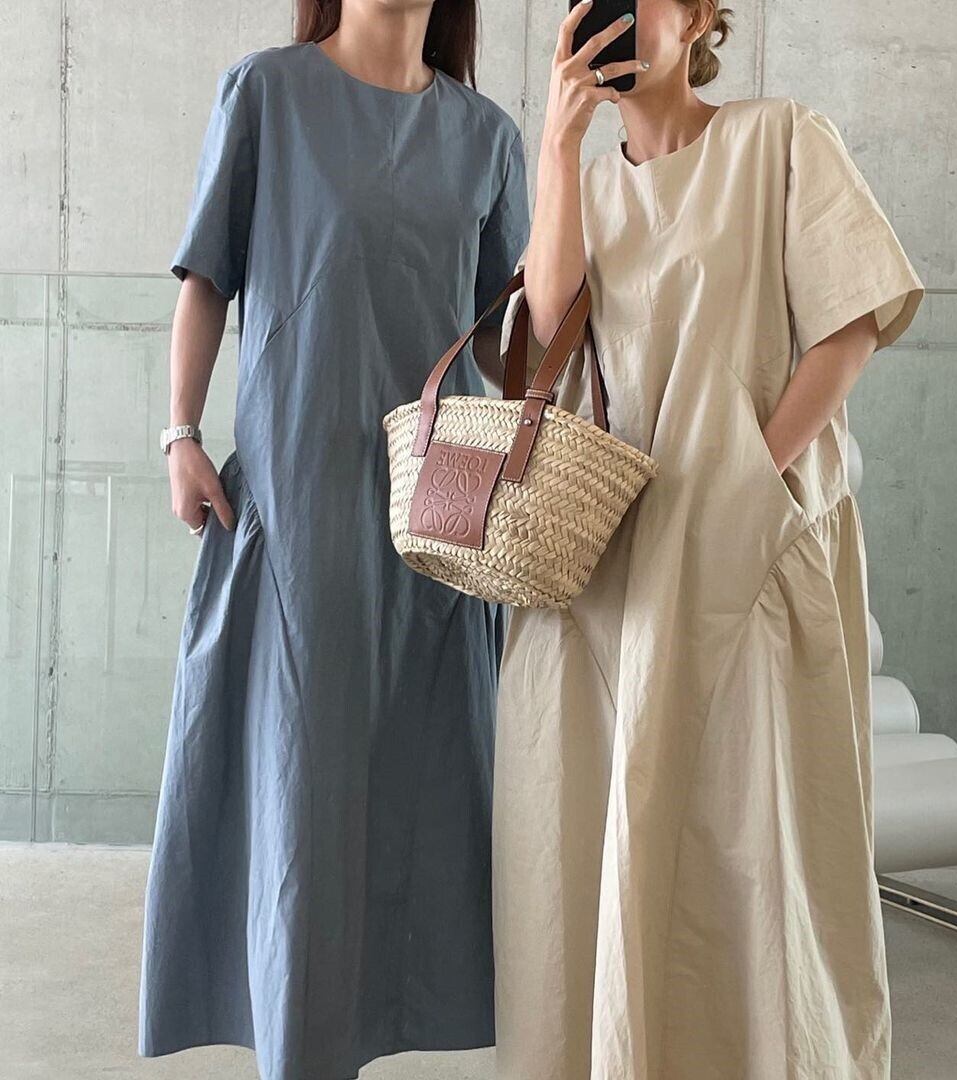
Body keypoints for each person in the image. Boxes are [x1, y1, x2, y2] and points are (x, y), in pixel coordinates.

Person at [490, 1, 924, 1077]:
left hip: (742, 556)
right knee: (602, 837)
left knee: (754, 847)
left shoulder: (780, 140)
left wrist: (752, 472)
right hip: (607, 568)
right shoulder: (586, 185)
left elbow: (850, 324)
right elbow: (544, 339)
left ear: (696, 18)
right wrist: (558, 147)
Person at [137, 3, 529, 1078]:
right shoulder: (267, 93)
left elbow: (510, 342)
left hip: (437, 523)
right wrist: (181, 432)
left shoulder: (487, 137)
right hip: (300, 498)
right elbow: (207, 276)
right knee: (302, 795)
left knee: (413, 790)